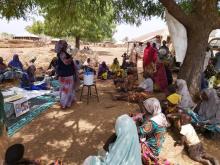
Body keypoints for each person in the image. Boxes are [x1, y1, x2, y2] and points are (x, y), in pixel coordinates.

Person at [134, 98, 169, 164]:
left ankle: (147, 156)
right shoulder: (160, 115)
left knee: (132, 146)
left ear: (150, 109)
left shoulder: (152, 122)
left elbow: (139, 131)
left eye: (146, 108)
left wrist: (133, 125)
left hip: (152, 147)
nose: (144, 109)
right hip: (158, 144)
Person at [55, 40, 76, 109]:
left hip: (64, 74)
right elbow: (66, 62)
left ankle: (66, 103)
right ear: (62, 46)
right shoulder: (62, 54)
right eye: (65, 44)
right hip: (66, 74)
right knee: (66, 90)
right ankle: (64, 104)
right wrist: (71, 58)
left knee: (65, 89)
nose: (67, 45)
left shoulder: (62, 53)